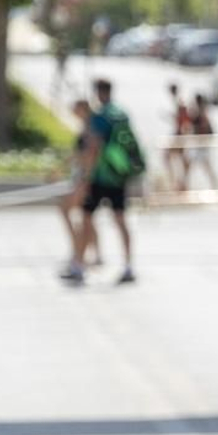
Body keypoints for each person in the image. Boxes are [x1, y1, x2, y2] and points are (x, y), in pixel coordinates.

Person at [63, 78, 141, 286]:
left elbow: (93, 148)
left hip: (100, 177)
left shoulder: (99, 117)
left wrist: (86, 178)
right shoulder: (122, 114)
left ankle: (78, 266)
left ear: (98, 92)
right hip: (118, 175)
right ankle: (128, 265)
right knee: (121, 220)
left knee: (86, 218)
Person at [56, 98, 100, 271]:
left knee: (75, 213)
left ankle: (79, 253)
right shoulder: (87, 126)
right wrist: (61, 168)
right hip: (83, 178)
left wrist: (86, 180)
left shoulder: (91, 128)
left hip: (85, 179)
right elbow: (78, 153)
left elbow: (90, 154)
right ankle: (91, 253)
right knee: (86, 216)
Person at [185, 94, 218, 191]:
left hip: (201, 145)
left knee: (205, 167)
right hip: (199, 145)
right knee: (195, 166)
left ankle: (215, 186)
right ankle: (215, 186)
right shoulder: (202, 113)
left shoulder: (201, 115)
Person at [163, 82, 192, 191]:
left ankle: (177, 183)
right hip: (179, 134)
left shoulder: (179, 102)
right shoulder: (178, 101)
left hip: (179, 135)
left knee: (170, 157)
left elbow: (184, 119)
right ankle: (180, 183)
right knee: (180, 159)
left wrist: (183, 133)